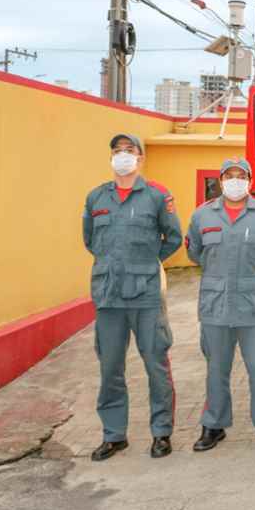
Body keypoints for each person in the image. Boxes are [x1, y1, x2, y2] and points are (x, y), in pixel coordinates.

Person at [82, 133, 182, 461]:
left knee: (155, 364)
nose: (123, 155)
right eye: (117, 151)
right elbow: (90, 241)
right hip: (109, 296)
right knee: (110, 367)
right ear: (110, 157)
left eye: (130, 151)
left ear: (140, 159)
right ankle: (114, 435)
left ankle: (161, 432)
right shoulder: (97, 198)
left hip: (145, 296)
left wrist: (146, 264)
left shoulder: (156, 196)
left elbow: (174, 237)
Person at [185, 158, 255, 451]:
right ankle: (214, 425)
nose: (235, 180)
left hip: (254, 304)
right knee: (216, 369)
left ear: (249, 179)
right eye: (229, 175)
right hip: (215, 304)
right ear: (221, 180)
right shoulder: (202, 216)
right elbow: (195, 253)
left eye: (241, 175)